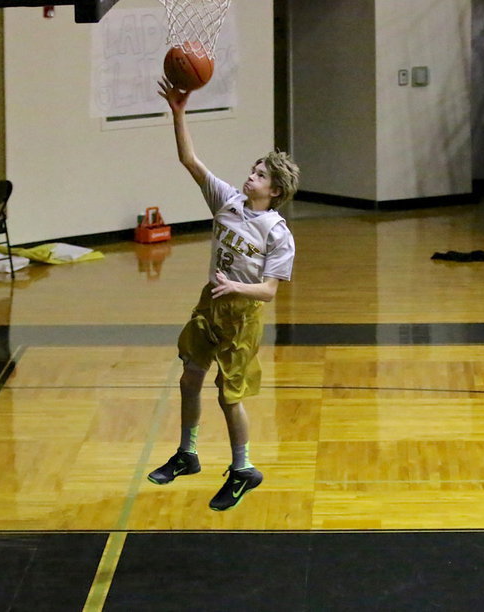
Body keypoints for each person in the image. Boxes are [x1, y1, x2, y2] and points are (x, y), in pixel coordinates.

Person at [147, 76, 300, 511]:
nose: (249, 177)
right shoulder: (227, 202)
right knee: (189, 378)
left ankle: (242, 468)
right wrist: (178, 114)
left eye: (259, 175)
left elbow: (269, 292)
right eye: (252, 171)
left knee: (228, 394)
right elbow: (190, 160)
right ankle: (187, 453)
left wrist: (237, 286)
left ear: (274, 191)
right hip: (209, 305)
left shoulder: (277, 233)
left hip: (243, 314)